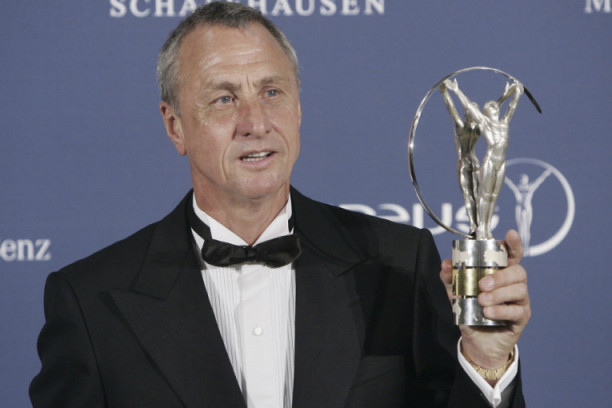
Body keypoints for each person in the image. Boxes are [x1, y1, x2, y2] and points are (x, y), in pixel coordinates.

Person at [30, 3, 531, 407]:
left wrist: (487, 361)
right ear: (175, 125)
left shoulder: (398, 263)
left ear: (298, 108)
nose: (256, 122)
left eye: (272, 92)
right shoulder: (91, 300)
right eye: (224, 99)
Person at [443, 78, 524, 240]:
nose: (495, 109)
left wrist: (516, 93)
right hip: (486, 163)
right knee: (480, 196)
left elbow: (510, 107)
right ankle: (478, 227)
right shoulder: (481, 123)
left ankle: (487, 228)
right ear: (485, 113)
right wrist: (454, 91)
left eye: (495, 107)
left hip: (498, 164)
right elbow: (465, 107)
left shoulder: (503, 122)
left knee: (492, 197)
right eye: (491, 108)